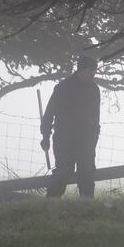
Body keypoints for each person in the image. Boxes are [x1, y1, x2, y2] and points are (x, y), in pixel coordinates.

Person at [40, 55, 101, 198]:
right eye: (91, 71)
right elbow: (49, 113)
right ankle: (51, 204)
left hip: (86, 142)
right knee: (63, 173)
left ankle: (87, 206)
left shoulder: (94, 89)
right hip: (64, 141)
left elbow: (95, 117)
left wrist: (94, 137)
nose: (93, 74)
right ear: (82, 70)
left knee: (87, 175)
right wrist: (45, 136)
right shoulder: (62, 88)